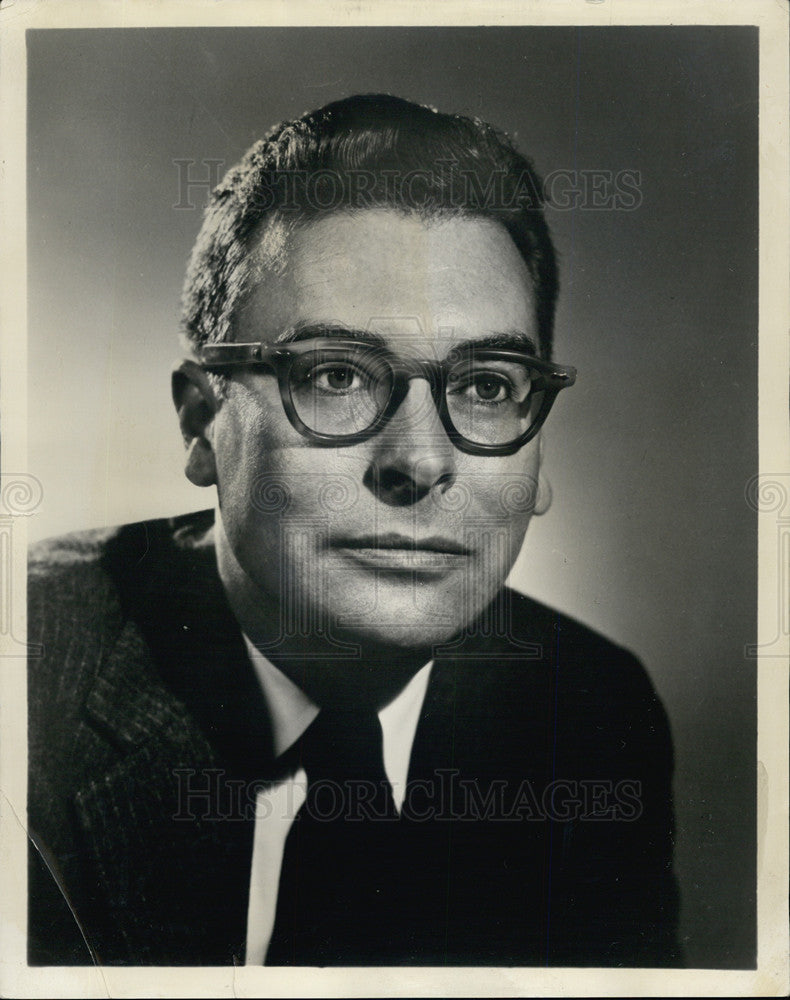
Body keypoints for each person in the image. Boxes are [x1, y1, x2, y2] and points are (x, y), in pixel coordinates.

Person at [28, 94, 681, 967]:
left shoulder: (592, 711)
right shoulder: (28, 673)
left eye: (487, 386)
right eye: (336, 375)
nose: (417, 460)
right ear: (200, 424)